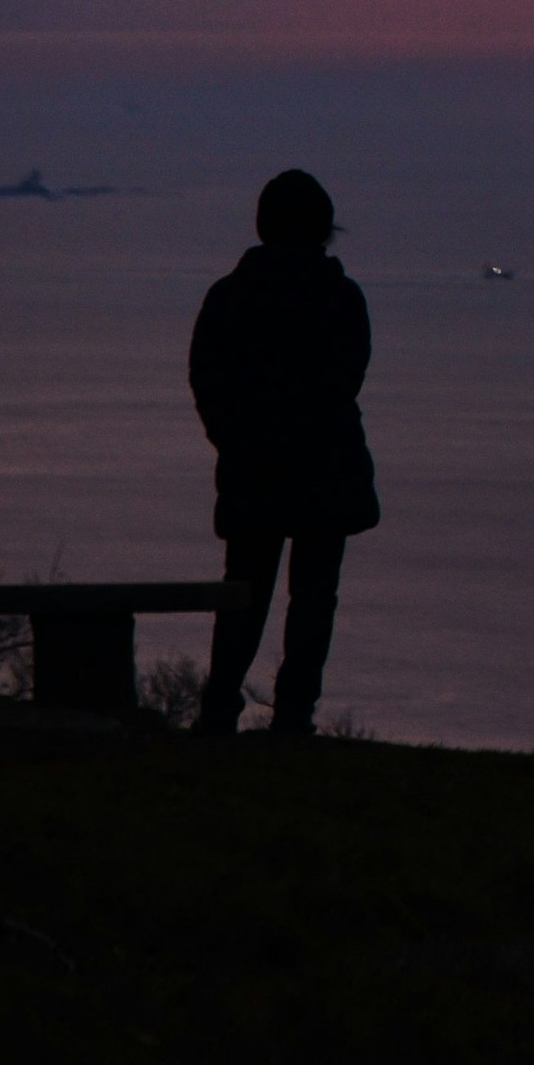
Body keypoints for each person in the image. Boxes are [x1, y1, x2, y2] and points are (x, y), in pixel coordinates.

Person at [187, 168, 380, 739]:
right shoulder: (342, 298)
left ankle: (220, 707)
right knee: (314, 596)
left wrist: (238, 440)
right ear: (323, 229)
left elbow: (207, 380)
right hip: (326, 469)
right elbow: (348, 378)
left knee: (243, 593)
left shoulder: (229, 296)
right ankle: (294, 713)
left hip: (254, 470)